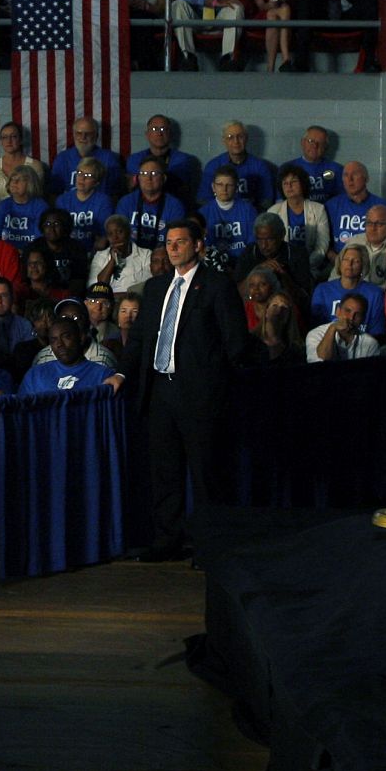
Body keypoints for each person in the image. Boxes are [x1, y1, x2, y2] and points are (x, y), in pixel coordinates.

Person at [120, 219, 248, 560]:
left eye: (180, 242)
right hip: (161, 391)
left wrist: (217, 389)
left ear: (198, 245)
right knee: (165, 472)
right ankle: (167, 541)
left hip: (201, 396)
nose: (172, 248)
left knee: (207, 474)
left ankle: (211, 547)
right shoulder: (156, 287)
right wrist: (121, 374)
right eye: (169, 242)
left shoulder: (217, 286)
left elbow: (235, 344)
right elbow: (141, 339)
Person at [21, 316, 123, 394]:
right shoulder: (35, 375)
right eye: (53, 340)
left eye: (66, 337)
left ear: (81, 338)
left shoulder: (103, 376)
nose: (59, 344)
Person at [310, 245, 386, 340]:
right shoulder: (322, 290)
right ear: (340, 263)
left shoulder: (375, 294)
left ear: (363, 265)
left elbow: (377, 333)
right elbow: (316, 329)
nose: (349, 264)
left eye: (356, 261)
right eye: (346, 259)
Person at [199, 120, 279, 210]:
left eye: (240, 136)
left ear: (246, 139)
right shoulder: (213, 166)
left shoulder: (260, 166)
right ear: (224, 141)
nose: (236, 141)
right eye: (230, 137)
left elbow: (266, 200)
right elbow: (204, 199)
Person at [273, 163, 332, 279]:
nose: (289, 186)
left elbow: (322, 246)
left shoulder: (318, 209)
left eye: (293, 182)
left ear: (303, 184)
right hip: (281, 268)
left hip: (310, 267)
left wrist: (303, 265)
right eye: (285, 183)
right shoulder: (273, 211)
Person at [115, 156, 186, 250]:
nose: (149, 178)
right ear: (138, 178)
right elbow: (118, 237)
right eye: (144, 173)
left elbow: (177, 241)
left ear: (163, 178)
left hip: (163, 256)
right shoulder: (125, 202)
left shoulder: (175, 206)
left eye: (154, 173)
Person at [50, 116, 125, 198]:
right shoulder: (62, 158)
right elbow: (54, 193)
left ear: (96, 136)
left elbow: (116, 193)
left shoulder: (109, 159)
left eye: (88, 134)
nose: (83, 137)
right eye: (79, 133)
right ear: (74, 135)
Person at [325, 162, 386, 258]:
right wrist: (339, 263)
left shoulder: (383, 206)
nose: (350, 179)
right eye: (346, 175)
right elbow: (323, 244)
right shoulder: (331, 206)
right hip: (340, 264)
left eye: (355, 174)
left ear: (366, 178)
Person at [0, 121, 47, 205]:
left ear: (21, 139)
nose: (9, 141)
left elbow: (37, 195)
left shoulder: (35, 166)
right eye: (4, 137)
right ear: (1, 141)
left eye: (13, 136)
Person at [244, 267, 302, 362]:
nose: (256, 289)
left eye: (262, 284)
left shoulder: (285, 302)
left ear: (272, 286)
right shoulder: (243, 309)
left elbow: (295, 335)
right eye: (252, 285)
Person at [56, 157, 115, 251]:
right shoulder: (62, 200)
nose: (82, 178)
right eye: (80, 173)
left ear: (96, 182)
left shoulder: (103, 201)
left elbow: (103, 237)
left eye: (88, 175)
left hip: (94, 251)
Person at [305, 292, 383, 363]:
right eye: (347, 311)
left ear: (363, 319)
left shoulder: (370, 344)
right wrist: (333, 328)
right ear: (338, 311)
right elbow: (322, 361)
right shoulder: (315, 335)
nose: (351, 317)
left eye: (357, 314)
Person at [291, 126, 345, 203]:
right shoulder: (289, 168)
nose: (314, 146)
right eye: (310, 141)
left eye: (320, 143)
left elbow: (343, 200)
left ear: (326, 146)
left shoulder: (337, 170)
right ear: (302, 142)